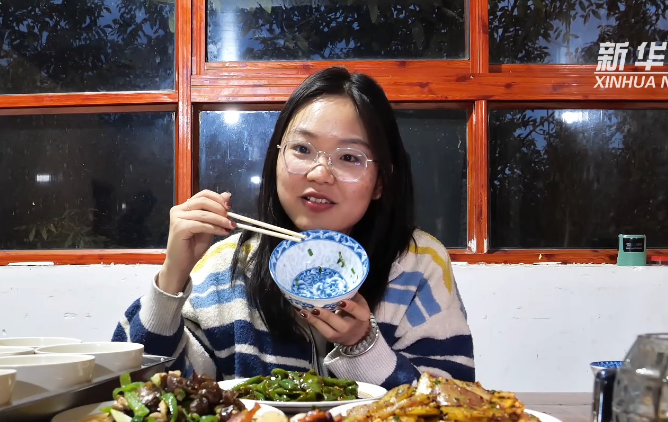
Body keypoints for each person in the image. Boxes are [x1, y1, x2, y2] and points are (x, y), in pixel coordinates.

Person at [112, 66, 475, 388]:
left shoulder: (417, 263)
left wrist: (363, 346)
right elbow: (136, 389)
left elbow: (454, 408)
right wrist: (172, 277)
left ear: (381, 181)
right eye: (302, 149)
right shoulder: (227, 264)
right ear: (276, 158)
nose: (319, 173)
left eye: (349, 157)